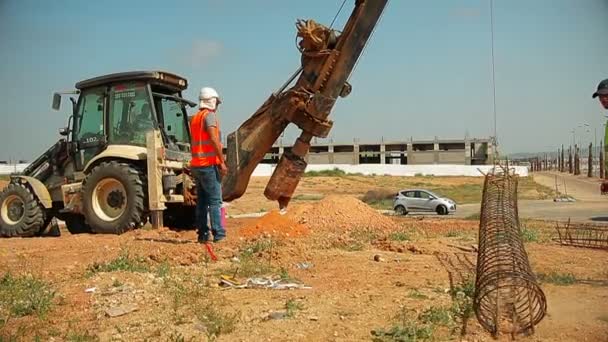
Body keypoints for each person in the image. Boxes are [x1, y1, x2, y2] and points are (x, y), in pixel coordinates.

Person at [189, 87, 227, 243]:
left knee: (202, 202)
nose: (217, 105)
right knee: (215, 201)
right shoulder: (209, 116)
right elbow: (213, 139)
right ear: (212, 101)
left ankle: (202, 234)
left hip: (196, 165)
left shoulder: (195, 118)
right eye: (216, 102)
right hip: (208, 165)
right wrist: (222, 161)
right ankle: (219, 234)